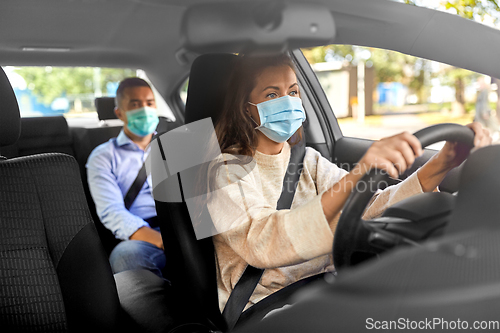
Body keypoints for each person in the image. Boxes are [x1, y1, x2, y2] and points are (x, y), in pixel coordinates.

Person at [205, 53, 492, 314]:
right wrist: (363, 168)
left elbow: (370, 207)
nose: (288, 102)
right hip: (265, 307)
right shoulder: (224, 171)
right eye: (272, 94)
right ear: (247, 109)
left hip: (326, 286)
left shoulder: (306, 161)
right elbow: (266, 243)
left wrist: (442, 163)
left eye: (293, 92)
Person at [86, 77, 166, 279]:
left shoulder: (173, 143)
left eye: (149, 103)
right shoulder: (103, 156)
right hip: (141, 234)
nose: (145, 110)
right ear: (119, 113)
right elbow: (111, 211)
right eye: (135, 104)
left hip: (184, 225)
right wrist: (159, 239)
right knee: (126, 256)